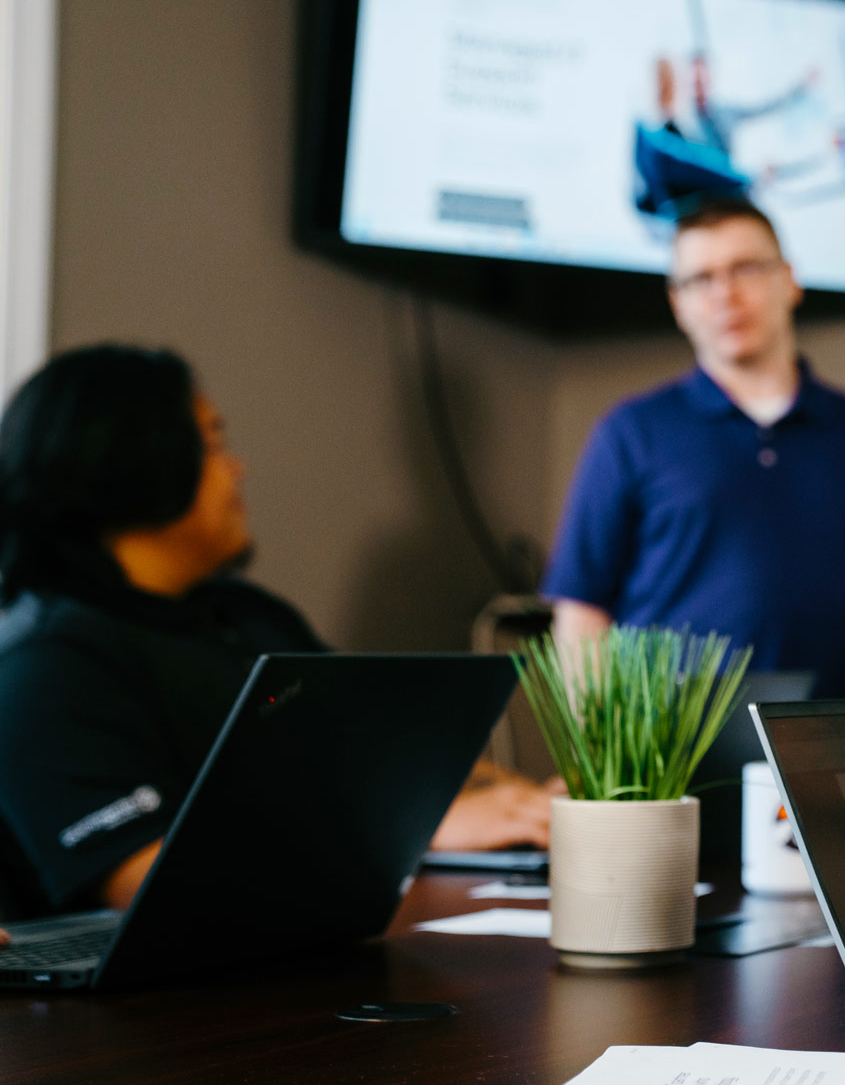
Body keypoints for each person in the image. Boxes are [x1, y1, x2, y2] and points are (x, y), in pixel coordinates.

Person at [0, 346, 550, 919]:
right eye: (213, 443)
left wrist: (521, 803)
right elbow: (154, 885)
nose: (239, 468)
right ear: (133, 462)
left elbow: (383, 756)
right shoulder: (43, 667)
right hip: (168, 1002)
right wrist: (427, 826)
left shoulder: (246, 616)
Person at [543, 195, 845, 699]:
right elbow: (581, 608)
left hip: (822, 758)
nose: (725, 296)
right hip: (668, 763)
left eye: (746, 270)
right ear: (678, 304)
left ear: (789, 280)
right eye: (700, 279)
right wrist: (602, 757)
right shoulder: (630, 432)